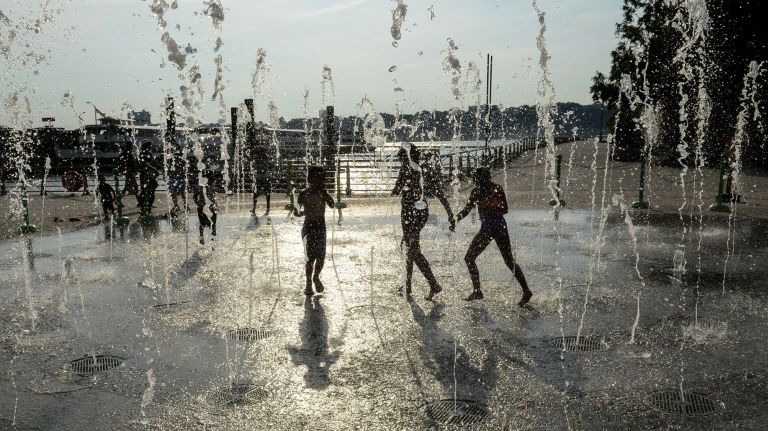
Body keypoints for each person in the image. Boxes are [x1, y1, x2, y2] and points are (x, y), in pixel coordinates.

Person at [455, 167, 532, 306]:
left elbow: (467, 209)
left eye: (475, 178)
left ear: (477, 179)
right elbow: (505, 209)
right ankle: (526, 290)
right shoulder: (498, 188)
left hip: (488, 227)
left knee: (469, 258)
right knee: (509, 261)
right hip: (501, 224)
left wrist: (455, 220)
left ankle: (477, 291)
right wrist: (493, 207)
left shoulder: (477, 191)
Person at [392, 144, 452, 300]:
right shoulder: (419, 170)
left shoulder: (417, 171)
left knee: (412, 250)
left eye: (403, 160)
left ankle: (427, 284)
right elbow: (437, 192)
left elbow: (396, 190)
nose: (402, 163)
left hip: (413, 213)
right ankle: (412, 285)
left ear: (408, 158)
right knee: (412, 250)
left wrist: (450, 214)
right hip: (412, 212)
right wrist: (450, 213)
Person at [293, 166, 335, 296]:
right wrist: (305, 212)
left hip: (320, 228)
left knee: (321, 257)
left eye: (322, 179)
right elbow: (296, 212)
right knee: (310, 258)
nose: (320, 182)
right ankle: (308, 283)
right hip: (309, 228)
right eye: (318, 178)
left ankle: (316, 277)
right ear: (310, 179)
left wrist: (325, 193)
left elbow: (332, 205)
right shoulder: (304, 193)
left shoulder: (322, 193)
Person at [193, 171, 218, 245]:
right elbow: (194, 196)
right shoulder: (201, 187)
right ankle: (203, 239)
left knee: (211, 224)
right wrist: (197, 203)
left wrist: (215, 205)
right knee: (204, 224)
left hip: (209, 207)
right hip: (203, 207)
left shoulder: (209, 186)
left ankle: (211, 240)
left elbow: (213, 198)